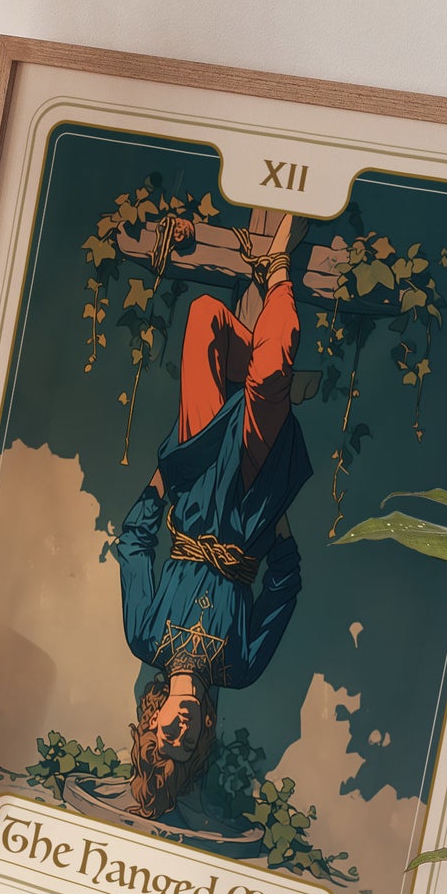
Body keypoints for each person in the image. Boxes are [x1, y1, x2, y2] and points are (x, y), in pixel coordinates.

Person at [114, 212, 313, 819]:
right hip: (246, 504)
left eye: (159, 746)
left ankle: (260, 383)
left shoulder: (143, 635)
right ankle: (276, 268)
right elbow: (284, 587)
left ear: (150, 721)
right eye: (184, 751)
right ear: (202, 738)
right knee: (271, 372)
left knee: (205, 318)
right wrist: (273, 522)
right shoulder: (242, 667)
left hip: (195, 483)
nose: (176, 740)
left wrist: (158, 484)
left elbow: (131, 546)